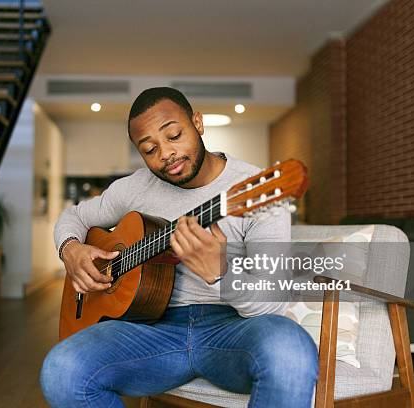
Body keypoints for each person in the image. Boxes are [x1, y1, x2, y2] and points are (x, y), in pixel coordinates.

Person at [40, 87, 318, 407]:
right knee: (61, 369)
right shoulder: (135, 188)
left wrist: (221, 273)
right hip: (151, 331)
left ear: (197, 123)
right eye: (149, 149)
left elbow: (270, 304)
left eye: (174, 135)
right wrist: (71, 249)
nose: (166, 154)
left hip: (231, 331)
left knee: (290, 349)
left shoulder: (257, 189)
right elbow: (72, 216)